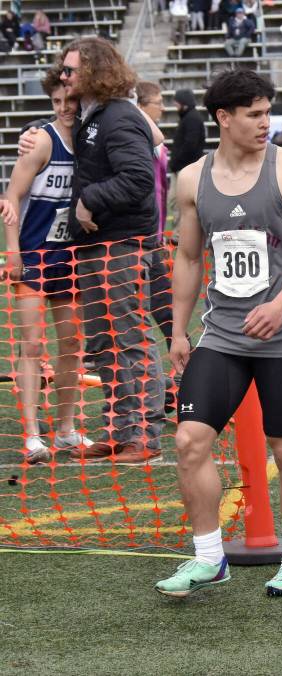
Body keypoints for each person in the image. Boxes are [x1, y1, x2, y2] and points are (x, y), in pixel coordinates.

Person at [155, 69, 282, 597]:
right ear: (223, 119)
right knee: (189, 441)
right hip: (221, 335)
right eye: (254, 114)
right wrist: (178, 332)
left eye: (267, 112)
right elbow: (187, 257)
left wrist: (280, 304)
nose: (265, 123)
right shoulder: (191, 179)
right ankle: (210, 558)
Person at [57, 37, 166, 464]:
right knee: (104, 341)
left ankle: (143, 435)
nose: (64, 76)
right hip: (95, 245)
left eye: (71, 70)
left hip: (122, 244)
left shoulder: (119, 116)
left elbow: (139, 179)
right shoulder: (95, 116)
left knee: (130, 337)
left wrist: (89, 200)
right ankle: (120, 430)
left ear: (95, 72)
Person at [0, 68, 93, 464]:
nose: (64, 108)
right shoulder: (40, 141)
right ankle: (33, 436)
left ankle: (68, 429)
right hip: (36, 255)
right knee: (32, 345)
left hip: (72, 257)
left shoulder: (95, 142)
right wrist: (13, 252)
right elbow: (12, 197)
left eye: (70, 100)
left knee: (72, 345)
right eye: (56, 102)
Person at [135, 81, 175, 353]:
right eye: (157, 102)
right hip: (134, 238)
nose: (162, 107)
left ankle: (183, 357)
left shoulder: (158, 144)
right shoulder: (135, 136)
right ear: (141, 106)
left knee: (163, 303)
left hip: (153, 237)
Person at [168, 88, 206, 226]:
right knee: (176, 202)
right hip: (182, 168)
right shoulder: (189, 118)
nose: (175, 106)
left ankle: (179, 236)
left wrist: (176, 163)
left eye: (177, 102)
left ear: (184, 103)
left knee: (178, 202)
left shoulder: (192, 119)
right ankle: (178, 235)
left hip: (184, 169)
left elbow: (190, 145)